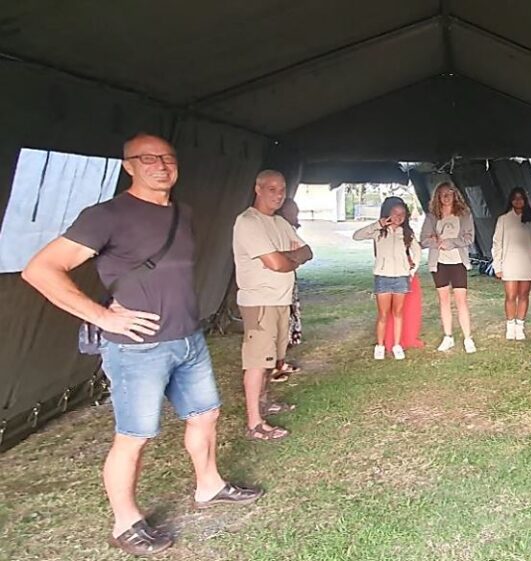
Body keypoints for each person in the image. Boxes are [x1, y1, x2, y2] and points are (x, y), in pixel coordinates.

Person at [21, 133, 262, 556]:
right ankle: (126, 523)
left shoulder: (182, 213)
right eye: (148, 159)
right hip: (137, 348)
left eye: (168, 157)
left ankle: (209, 485)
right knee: (134, 436)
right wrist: (102, 316)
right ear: (128, 166)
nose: (161, 165)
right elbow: (41, 269)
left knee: (205, 415)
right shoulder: (105, 216)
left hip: (188, 338)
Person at [233, 171, 313, 442]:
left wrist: (286, 256)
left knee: (273, 360)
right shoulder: (248, 222)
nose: (278, 195)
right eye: (272, 189)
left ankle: (264, 402)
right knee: (257, 362)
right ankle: (254, 423)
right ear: (258, 189)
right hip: (260, 302)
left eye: (282, 190)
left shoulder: (279, 222)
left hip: (281, 300)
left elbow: (308, 251)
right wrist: (288, 258)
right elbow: (277, 264)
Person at [353, 196, 422, 360]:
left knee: (398, 313)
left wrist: (412, 271)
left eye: (402, 214)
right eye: (395, 213)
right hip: (383, 277)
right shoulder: (378, 231)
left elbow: (417, 251)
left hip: (401, 277)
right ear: (387, 213)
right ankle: (380, 346)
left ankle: (397, 345)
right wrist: (378, 224)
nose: (398, 217)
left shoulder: (407, 233)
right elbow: (357, 236)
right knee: (383, 314)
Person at [420, 182, 477, 353]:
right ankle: (448, 336)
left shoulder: (464, 215)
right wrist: (436, 242)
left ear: (455, 195)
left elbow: (469, 238)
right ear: (437, 197)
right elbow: (423, 240)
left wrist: (452, 242)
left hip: (458, 262)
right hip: (439, 263)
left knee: (461, 300)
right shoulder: (432, 217)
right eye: (442, 194)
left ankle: (468, 338)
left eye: (449, 193)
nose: (446, 197)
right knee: (444, 300)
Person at [492, 187, 531, 340]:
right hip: (509, 263)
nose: (518, 201)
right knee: (511, 296)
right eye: (515, 198)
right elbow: (497, 243)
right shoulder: (503, 219)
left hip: (528, 263)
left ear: (525, 200)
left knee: (524, 295)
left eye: (521, 198)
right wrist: (497, 266)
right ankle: (510, 326)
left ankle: (520, 326)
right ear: (511, 200)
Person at [271, 197, 303, 383]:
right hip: (274, 286)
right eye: (293, 212)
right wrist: (292, 257)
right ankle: (272, 366)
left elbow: (304, 252)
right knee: (275, 326)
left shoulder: (288, 229)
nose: (296, 215)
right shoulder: (272, 229)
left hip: (288, 283)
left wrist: (292, 257)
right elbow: (280, 258)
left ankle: (281, 362)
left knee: (286, 325)